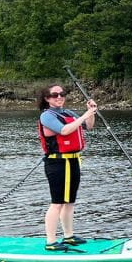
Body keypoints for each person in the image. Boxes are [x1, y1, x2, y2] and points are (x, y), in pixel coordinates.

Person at [37, 84, 97, 251]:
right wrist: (85, 115)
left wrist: (91, 112)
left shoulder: (68, 113)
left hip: (73, 161)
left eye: (62, 94)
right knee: (57, 203)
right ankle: (50, 242)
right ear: (47, 99)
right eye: (55, 95)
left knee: (69, 202)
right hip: (57, 163)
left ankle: (68, 236)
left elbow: (88, 126)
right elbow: (64, 131)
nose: (59, 97)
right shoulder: (47, 116)